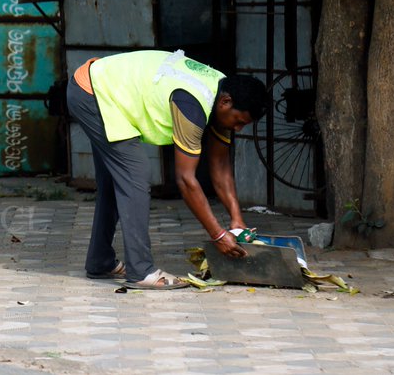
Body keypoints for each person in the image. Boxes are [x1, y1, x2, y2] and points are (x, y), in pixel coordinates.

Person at [67, 49, 269, 290]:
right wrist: (217, 235)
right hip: (94, 92)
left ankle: (100, 261)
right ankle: (141, 271)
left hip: (97, 86)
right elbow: (185, 180)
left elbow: (221, 165)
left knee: (115, 181)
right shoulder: (193, 104)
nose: (239, 129)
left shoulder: (221, 96)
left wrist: (236, 220)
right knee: (135, 176)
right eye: (239, 122)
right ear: (226, 103)